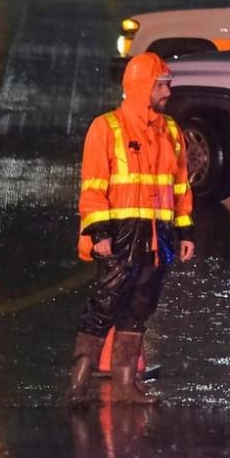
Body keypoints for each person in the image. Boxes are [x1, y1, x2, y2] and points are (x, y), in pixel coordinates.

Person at [67, 52, 195, 406]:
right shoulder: (106, 128)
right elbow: (93, 186)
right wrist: (100, 233)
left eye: (167, 84)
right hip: (121, 236)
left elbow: (180, 186)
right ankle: (78, 386)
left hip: (160, 238)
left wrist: (185, 233)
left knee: (140, 308)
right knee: (103, 306)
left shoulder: (170, 130)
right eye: (162, 85)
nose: (168, 92)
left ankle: (126, 386)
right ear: (142, 87)